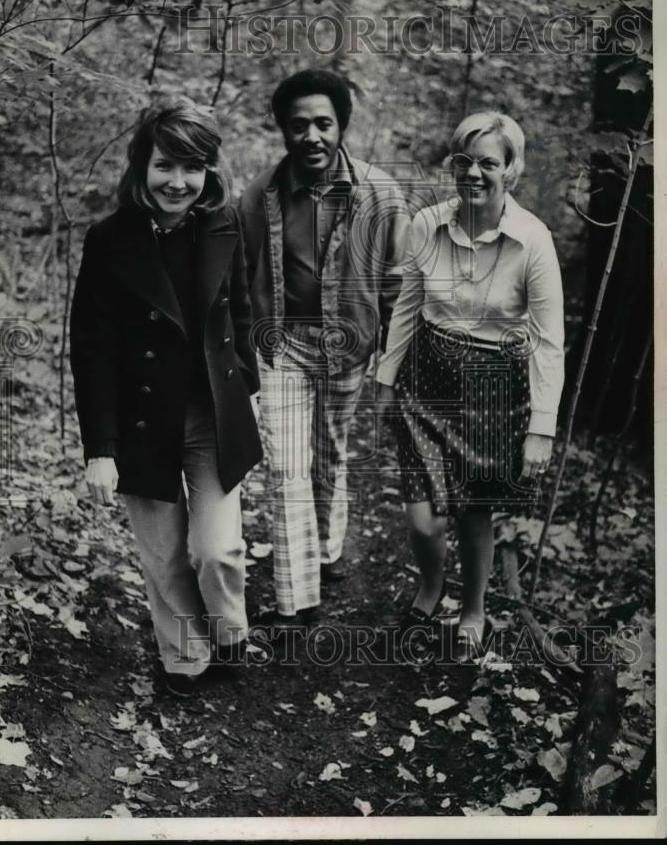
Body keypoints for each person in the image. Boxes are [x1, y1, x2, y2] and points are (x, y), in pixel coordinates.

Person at [70, 97, 263, 697]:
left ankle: (230, 633)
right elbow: (91, 348)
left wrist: (249, 394)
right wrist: (99, 447)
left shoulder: (226, 226)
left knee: (218, 549)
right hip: (140, 419)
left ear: (208, 172)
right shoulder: (109, 240)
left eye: (192, 167)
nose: (177, 182)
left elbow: (244, 316)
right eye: (164, 166)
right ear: (141, 167)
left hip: (212, 412)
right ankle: (183, 658)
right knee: (161, 556)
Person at [376, 110, 564, 663]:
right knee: (425, 517)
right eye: (465, 160)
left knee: (477, 509)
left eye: (488, 162)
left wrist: (541, 429)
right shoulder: (425, 224)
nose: (474, 173)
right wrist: (386, 380)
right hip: (426, 380)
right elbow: (407, 305)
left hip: (495, 389)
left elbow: (549, 341)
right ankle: (432, 584)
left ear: (512, 169)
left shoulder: (533, 240)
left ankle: (475, 608)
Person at [239, 68, 410, 633]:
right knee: (287, 468)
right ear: (283, 131)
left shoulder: (381, 194)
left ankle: (329, 549)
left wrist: (393, 365)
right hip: (283, 346)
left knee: (329, 452)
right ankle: (297, 599)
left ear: (342, 127)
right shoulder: (257, 196)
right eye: (298, 126)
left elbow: (399, 285)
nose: (311, 136)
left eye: (323, 124)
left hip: (349, 346)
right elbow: (241, 282)